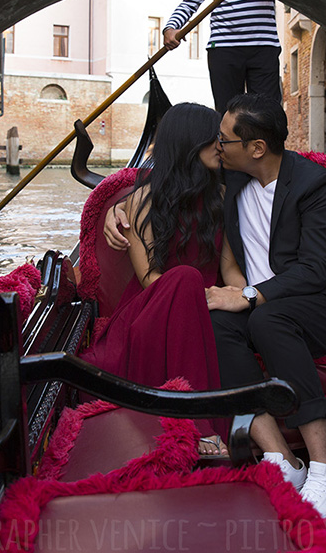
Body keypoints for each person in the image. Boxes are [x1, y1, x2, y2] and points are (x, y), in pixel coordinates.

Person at [105, 94, 326, 522]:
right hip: (257, 298)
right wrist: (117, 207)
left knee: (269, 317)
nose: (217, 145)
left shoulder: (314, 184)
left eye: (224, 139)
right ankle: (283, 458)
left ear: (256, 148)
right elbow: (169, 180)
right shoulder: (226, 183)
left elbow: (318, 268)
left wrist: (247, 296)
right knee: (218, 323)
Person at [80, 102, 237, 455]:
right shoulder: (141, 201)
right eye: (213, 139)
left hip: (204, 304)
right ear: (189, 143)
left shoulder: (222, 196)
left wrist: (242, 295)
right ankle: (199, 425)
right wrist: (196, 292)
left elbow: (229, 271)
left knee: (190, 281)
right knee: (184, 277)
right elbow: (151, 279)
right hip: (152, 311)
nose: (220, 146)